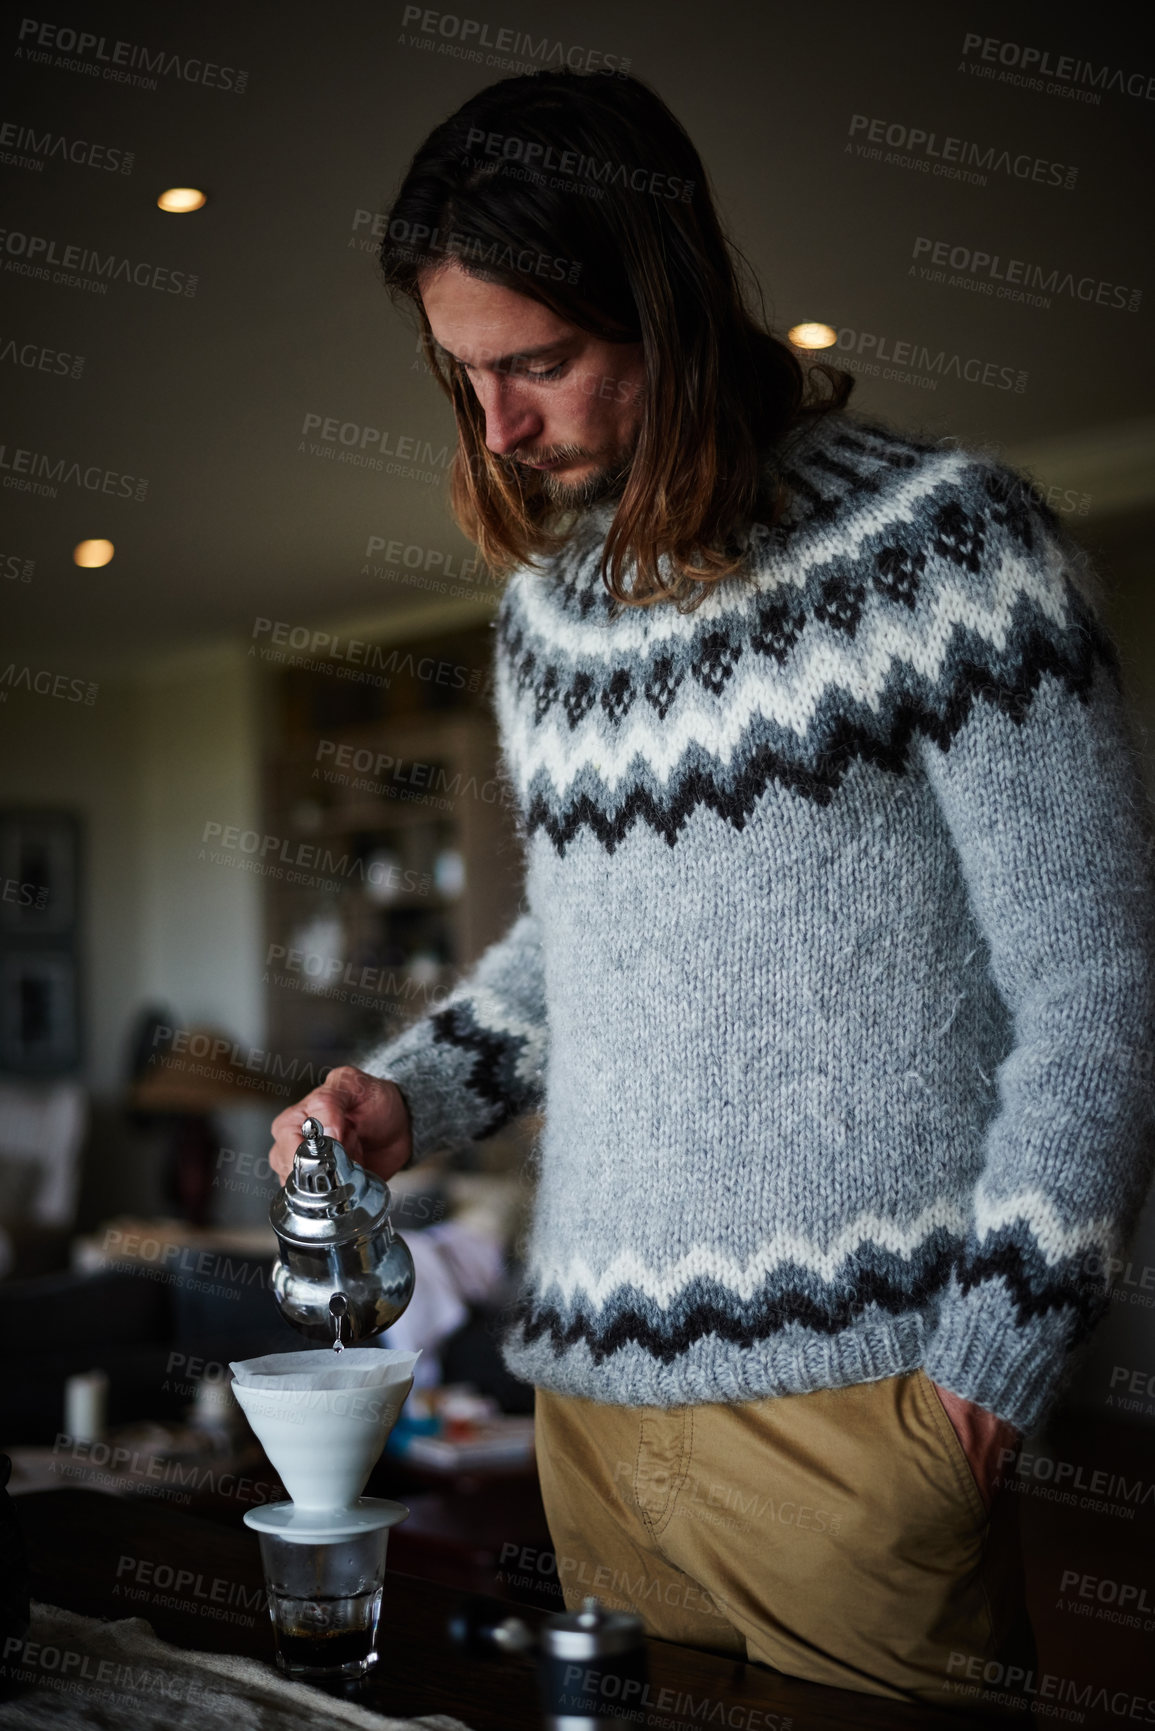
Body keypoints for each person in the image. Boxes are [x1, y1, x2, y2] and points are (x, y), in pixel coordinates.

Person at [268, 69, 1155, 1715]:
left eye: (540, 363)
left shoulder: (949, 549)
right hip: (591, 1419)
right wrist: (407, 1097)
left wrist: (986, 1376)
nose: (501, 430)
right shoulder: (549, 624)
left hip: (864, 1415)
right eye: (466, 379)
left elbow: (1102, 981)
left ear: (667, 307)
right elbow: (581, 949)